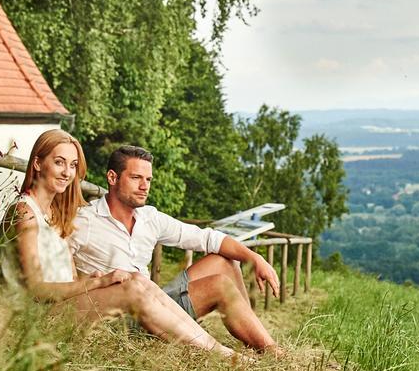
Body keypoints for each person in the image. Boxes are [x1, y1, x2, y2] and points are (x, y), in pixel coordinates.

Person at [0, 130, 235, 357]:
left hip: (62, 307)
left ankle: (214, 348)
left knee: (138, 279)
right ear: (38, 164)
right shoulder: (24, 213)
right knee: (131, 289)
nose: (67, 173)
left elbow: (68, 279)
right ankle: (218, 354)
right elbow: (35, 290)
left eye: (72, 166)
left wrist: (96, 282)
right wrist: (99, 282)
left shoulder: (56, 214)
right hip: (33, 319)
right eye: (59, 162)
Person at [69, 145, 282, 354]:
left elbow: (207, 238)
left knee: (223, 261)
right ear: (113, 178)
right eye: (136, 178)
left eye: (148, 179)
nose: (145, 186)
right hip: (123, 317)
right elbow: (50, 266)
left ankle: (257, 339)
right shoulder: (85, 221)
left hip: (154, 299)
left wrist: (255, 259)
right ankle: (274, 354)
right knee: (219, 285)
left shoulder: (149, 217)